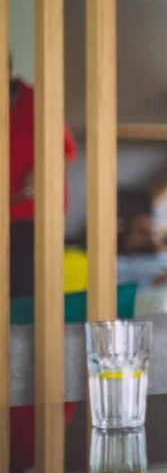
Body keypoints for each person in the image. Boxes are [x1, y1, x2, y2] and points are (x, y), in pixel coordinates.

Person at [9, 54, 77, 299]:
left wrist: (43, 171)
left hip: (31, 216)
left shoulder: (36, 100)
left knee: (25, 291)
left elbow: (65, 152)